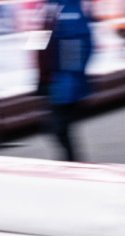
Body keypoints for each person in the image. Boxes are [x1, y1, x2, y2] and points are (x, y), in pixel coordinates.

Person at [36, 0, 93, 162]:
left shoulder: (72, 9)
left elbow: (81, 42)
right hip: (50, 77)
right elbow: (38, 39)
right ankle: (71, 162)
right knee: (56, 128)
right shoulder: (46, 7)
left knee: (58, 127)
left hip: (63, 79)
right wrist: (40, 73)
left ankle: (72, 162)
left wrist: (70, 78)